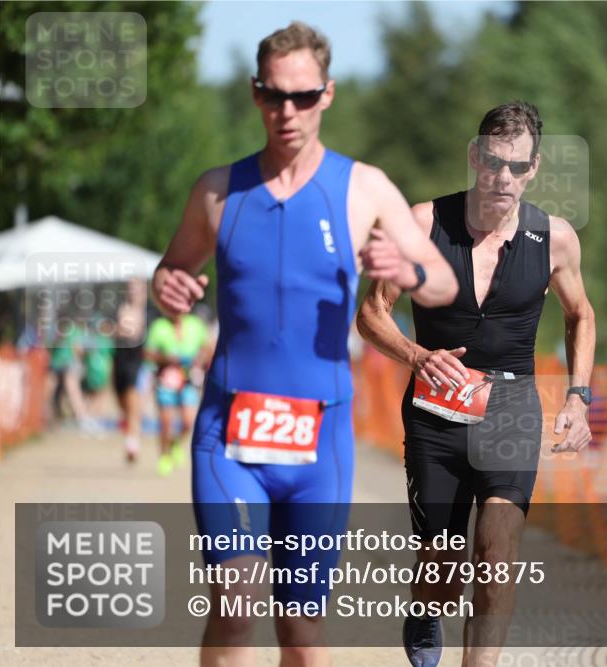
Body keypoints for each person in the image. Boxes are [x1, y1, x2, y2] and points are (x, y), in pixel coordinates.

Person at [150, 21, 456, 667]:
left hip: (322, 441)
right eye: (273, 96)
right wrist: (167, 288)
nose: (287, 111)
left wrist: (409, 272)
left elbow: (444, 282)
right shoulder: (216, 190)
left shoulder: (364, 188)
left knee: (301, 634)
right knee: (234, 603)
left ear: (328, 95)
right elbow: (171, 269)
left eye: (304, 96)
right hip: (228, 433)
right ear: (256, 93)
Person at [357, 101, 596, 667]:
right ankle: (426, 608)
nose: (502, 178)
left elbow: (581, 314)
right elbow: (371, 314)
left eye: (516, 167)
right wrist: (417, 355)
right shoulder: (422, 224)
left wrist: (579, 397)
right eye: (492, 162)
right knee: (440, 567)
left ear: (534, 167)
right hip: (435, 414)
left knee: (497, 552)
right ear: (474, 155)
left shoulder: (554, 238)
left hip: (512, 407)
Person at [144, 310, 211, 476]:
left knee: (188, 422)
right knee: (166, 423)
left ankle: (176, 443)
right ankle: (164, 455)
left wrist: (198, 362)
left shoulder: (196, 324)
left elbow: (207, 348)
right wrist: (167, 358)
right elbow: (148, 353)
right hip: (166, 380)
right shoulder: (159, 326)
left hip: (188, 380)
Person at [114, 279, 148, 462]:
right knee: (122, 403)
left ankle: (132, 442)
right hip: (121, 357)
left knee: (133, 401)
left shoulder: (148, 312)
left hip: (138, 360)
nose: (133, 291)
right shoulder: (120, 309)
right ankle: (131, 436)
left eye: (137, 288)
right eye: (131, 288)